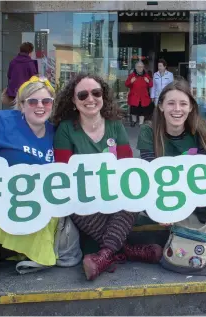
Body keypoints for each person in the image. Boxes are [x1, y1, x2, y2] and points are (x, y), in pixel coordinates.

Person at [52, 73, 162, 281]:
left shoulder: (115, 125)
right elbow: (63, 173)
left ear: (103, 96)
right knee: (73, 204)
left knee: (135, 195)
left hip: (114, 194)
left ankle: (104, 255)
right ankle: (126, 250)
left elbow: (127, 167)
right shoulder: (66, 129)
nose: (90, 99)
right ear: (74, 102)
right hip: (83, 198)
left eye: (96, 93)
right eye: (82, 95)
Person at [0, 76, 57, 268]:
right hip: (2, 196)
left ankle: (8, 252)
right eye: (32, 101)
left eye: (46, 101)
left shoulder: (55, 132)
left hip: (38, 201)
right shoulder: (2, 122)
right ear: (21, 104)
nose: (40, 106)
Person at [137, 79, 206, 162]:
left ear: (190, 107)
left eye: (183, 104)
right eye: (171, 103)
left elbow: (205, 165)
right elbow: (150, 169)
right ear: (161, 106)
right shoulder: (148, 131)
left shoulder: (200, 129)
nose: (177, 109)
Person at [125, 61, 153, 127]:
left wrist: (148, 81)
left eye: (142, 67)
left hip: (143, 97)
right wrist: (131, 82)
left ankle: (141, 123)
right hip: (134, 96)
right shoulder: (132, 75)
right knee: (134, 110)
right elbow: (126, 84)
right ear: (136, 67)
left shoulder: (146, 75)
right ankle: (134, 121)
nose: (140, 68)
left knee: (142, 110)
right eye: (139, 67)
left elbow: (151, 85)